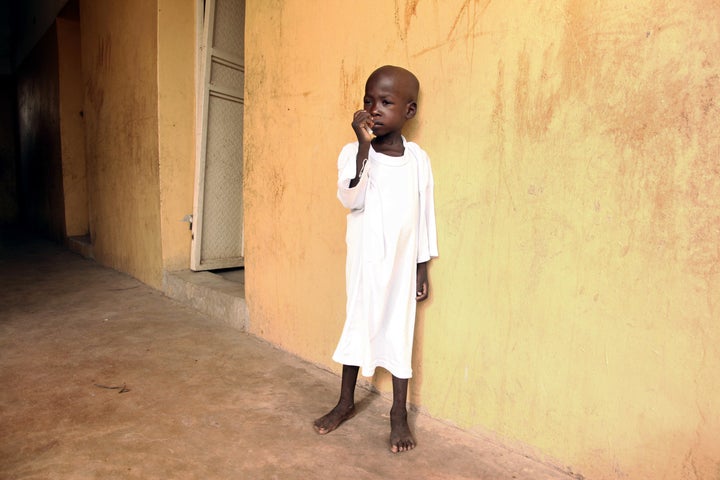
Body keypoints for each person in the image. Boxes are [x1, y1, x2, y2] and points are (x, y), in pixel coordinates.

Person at [313, 65, 438, 453]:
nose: (375, 109)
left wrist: (421, 267)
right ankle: (345, 401)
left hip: (401, 267)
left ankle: (398, 414)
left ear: (409, 111)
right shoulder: (353, 152)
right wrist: (363, 144)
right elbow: (352, 198)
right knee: (358, 322)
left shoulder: (418, 159)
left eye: (386, 102)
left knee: (400, 330)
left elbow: (425, 214)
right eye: (369, 101)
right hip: (365, 263)